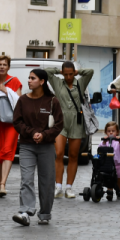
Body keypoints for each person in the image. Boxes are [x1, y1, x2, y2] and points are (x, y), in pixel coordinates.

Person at [11, 69, 65, 226]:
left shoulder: (52, 101)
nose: (29, 80)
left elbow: (59, 124)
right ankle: (26, 212)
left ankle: (45, 213)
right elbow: (17, 122)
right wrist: (32, 132)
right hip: (27, 145)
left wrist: (45, 135)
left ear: (42, 81)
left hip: (47, 146)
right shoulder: (22, 100)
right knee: (26, 179)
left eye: (33, 78)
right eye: (28, 77)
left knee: (47, 181)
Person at [44, 62, 93, 199]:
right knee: (58, 153)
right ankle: (58, 186)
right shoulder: (58, 83)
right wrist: (59, 71)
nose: (68, 77)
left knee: (73, 155)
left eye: (71, 74)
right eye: (66, 74)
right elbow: (46, 72)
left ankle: (69, 187)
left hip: (77, 122)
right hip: (61, 121)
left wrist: (78, 72)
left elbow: (90, 71)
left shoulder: (80, 83)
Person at [0, 55, 22, 196]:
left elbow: (19, 103)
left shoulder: (15, 82)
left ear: (8, 67)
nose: (2, 66)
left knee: (8, 150)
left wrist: (6, 91)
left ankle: (3, 184)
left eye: (4, 64)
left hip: (11, 123)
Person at [100, 121, 120, 198]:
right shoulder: (105, 141)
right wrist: (104, 141)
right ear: (106, 132)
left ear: (117, 132)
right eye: (109, 131)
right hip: (108, 164)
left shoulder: (119, 141)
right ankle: (109, 191)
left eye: (113, 131)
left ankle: (118, 190)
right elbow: (100, 149)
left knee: (118, 179)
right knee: (108, 178)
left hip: (118, 164)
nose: (111, 133)